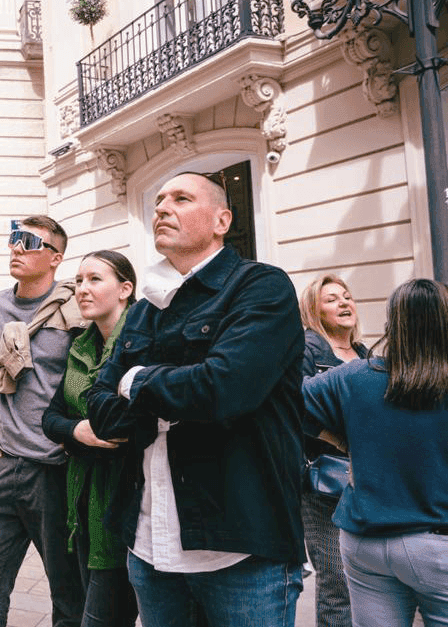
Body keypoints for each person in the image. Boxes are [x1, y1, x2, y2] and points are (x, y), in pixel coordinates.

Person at [86, 172, 306, 627]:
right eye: (159, 200)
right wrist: (170, 400)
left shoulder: (260, 286)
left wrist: (137, 381)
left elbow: (222, 390)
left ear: (222, 220)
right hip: (148, 548)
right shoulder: (143, 309)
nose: (162, 208)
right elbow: (100, 408)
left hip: (240, 549)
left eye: (182, 198)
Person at [303, 278, 448, 627]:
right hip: (436, 541)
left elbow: (287, 404)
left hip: (366, 543)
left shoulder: (354, 375)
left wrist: (342, 442)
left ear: (393, 322)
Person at [0, 215, 86, 627]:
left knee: (68, 592)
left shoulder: (75, 307)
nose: (16, 248)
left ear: (55, 258)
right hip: (3, 464)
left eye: (30, 242)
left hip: (54, 471)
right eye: (15, 238)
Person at [42, 251, 139, 627]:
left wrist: (73, 436)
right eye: (79, 280)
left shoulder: (139, 342)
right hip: (81, 502)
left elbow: (121, 430)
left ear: (125, 289)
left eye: (95, 279)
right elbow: (50, 418)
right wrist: (76, 432)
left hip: (124, 505)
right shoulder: (81, 345)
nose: (82, 288)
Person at [299, 275, 368, 627]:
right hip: (327, 485)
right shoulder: (308, 351)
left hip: (369, 482)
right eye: (332, 299)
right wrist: (340, 442)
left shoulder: (365, 354)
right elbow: (294, 408)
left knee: (371, 580)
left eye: (347, 296)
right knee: (337, 582)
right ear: (315, 311)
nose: (344, 303)